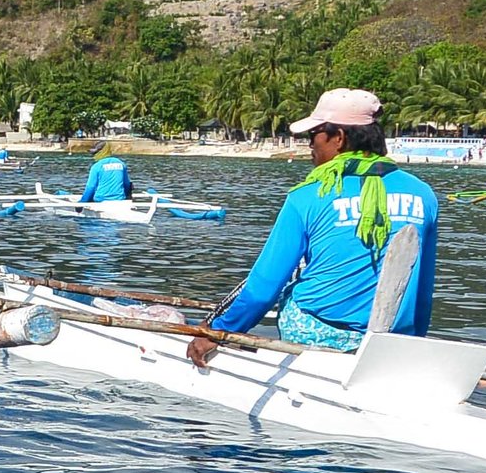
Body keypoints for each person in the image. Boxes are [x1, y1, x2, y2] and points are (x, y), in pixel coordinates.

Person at [186, 89, 437, 366]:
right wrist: (411, 344)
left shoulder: (307, 195)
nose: (310, 146)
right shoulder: (423, 194)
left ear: (339, 138)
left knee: (290, 286)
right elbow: (423, 288)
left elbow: (264, 287)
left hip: (322, 333)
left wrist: (219, 331)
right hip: (392, 340)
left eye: (313, 136)